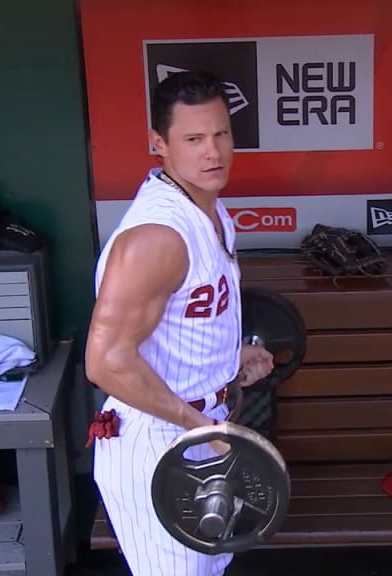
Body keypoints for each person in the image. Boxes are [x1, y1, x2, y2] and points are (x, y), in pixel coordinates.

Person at [84, 70, 275, 576]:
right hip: (157, 439)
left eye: (221, 134)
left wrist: (227, 362)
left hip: (201, 427)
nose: (212, 152)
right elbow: (106, 361)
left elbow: (172, 329)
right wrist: (200, 427)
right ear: (159, 143)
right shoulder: (157, 237)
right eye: (193, 139)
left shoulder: (209, 210)